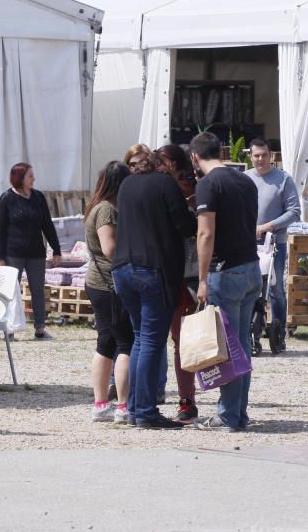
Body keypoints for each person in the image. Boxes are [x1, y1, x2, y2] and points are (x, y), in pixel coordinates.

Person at [112, 147, 195, 429]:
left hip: (123, 268)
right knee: (150, 341)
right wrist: (196, 215)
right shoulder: (165, 183)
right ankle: (145, 411)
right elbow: (184, 226)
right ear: (167, 165)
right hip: (153, 269)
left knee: (139, 338)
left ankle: (136, 408)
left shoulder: (127, 185)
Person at [189, 132, 262, 432]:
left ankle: (228, 415)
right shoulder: (246, 180)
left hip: (225, 270)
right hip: (251, 267)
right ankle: (238, 412)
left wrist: (202, 278)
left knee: (228, 347)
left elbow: (206, 234)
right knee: (241, 344)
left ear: (195, 157)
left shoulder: (208, 184)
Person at [83, 162, 134, 424]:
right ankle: (123, 406)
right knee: (124, 342)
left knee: (106, 342)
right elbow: (109, 248)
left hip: (98, 282)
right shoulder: (107, 210)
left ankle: (101, 403)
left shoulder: (97, 205)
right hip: (109, 284)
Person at [154, 144, 200, 423]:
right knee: (164, 341)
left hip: (190, 273)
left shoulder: (193, 186)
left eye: (164, 162)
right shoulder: (160, 188)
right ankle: (159, 395)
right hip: (167, 273)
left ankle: (187, 399)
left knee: (184, 343)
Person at [245, 138, 301, 353]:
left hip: (274, 244)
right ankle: (251, 331)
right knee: (251, 288)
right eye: (256, 155)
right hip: (248, 244)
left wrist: (268, 226)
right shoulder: (245, 178)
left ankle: (278, 333)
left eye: (264, 155)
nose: (260, 159)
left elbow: (294, 212)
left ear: (271, 156)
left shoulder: (283, 179)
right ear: (250, 156)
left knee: (275, 289)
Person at [0, 162, 61, 340]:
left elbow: (47, 224)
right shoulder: (6, 199)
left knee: (38, 290)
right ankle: (9, 328)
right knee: (10, 290)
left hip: (36, 253)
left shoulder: (38, 197)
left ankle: (40, 328)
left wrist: (56, 249)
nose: (34, 179)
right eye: (30, 176)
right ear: (20, 178)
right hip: (12, 253)